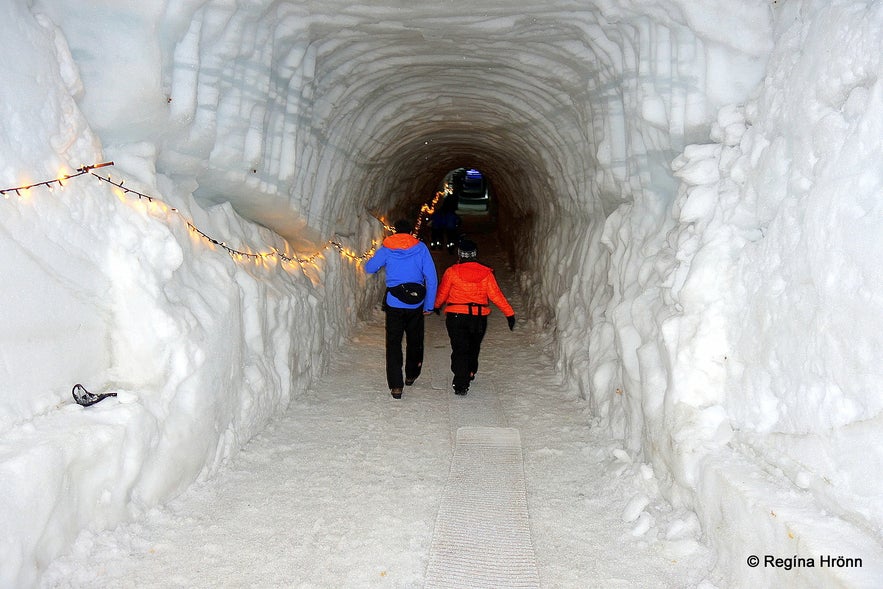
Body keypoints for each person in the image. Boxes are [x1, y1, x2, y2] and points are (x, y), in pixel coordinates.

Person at [364, 219, 438, 399]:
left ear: (395, 231)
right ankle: (411, 374)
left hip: (394, 303)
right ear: (411, 231)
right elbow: (432, 278)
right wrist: (429, 305)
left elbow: (370, 267)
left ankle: (396, 386)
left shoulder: (387, 248)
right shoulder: (420, 248)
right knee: (415, 340)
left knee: (393, 343)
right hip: (415, 303)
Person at [433, 240, 515, 395]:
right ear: (475, 254)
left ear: (460, 254)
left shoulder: (452, 272)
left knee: (459, 348)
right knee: (473, 346)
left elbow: (443, 291)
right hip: (478, 317)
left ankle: (460, 382)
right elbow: (496, 295)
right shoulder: (486, 273)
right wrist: (509, 313)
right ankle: (470, 371)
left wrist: (436, 305)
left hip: (456, 316)